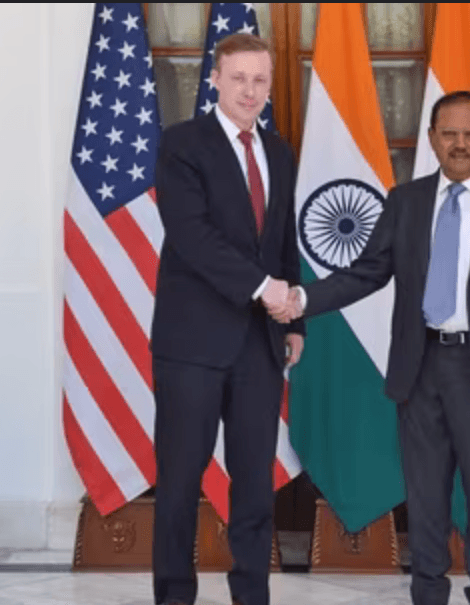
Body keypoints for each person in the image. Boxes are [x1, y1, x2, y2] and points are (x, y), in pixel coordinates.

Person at [276, 91, 470, 605]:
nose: (460, 144)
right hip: (419, 367)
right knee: (424, 499)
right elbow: (367, 273)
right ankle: (428, 595)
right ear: (432, 139)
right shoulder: (405, 201)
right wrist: (303, 299)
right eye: (450, 134)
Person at [150, 33, 305, 605]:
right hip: (191, 345)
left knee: (255, 488)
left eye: (260, 79)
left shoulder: (279, 151)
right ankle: (174, 596)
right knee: (179, 485)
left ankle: (251, 595)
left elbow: (282, 240)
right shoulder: (181, 143)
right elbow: (191, 235)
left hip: (259, 346)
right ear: (214, 79)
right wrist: (264, 289)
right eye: (238, 78)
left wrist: (294, 323)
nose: (249, 90)